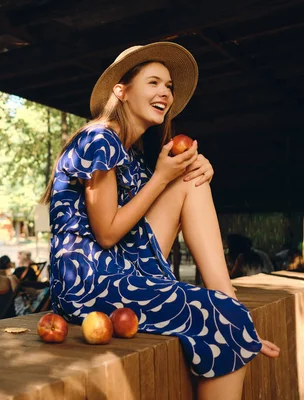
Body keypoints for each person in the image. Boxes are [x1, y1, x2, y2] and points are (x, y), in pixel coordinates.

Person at [40, 42, 279, 399]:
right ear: (121, 91)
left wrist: (195, 172)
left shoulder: (133, 156)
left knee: (192, 177)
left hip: (124, 267)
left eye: (168, 86)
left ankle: (226, 295)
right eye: (153, 82)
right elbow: (106, 234)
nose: (165, 92)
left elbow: (147, 214)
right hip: (88, 282)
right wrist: (161, 178)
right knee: (221, 319)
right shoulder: (98, 138)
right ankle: (227, 308)